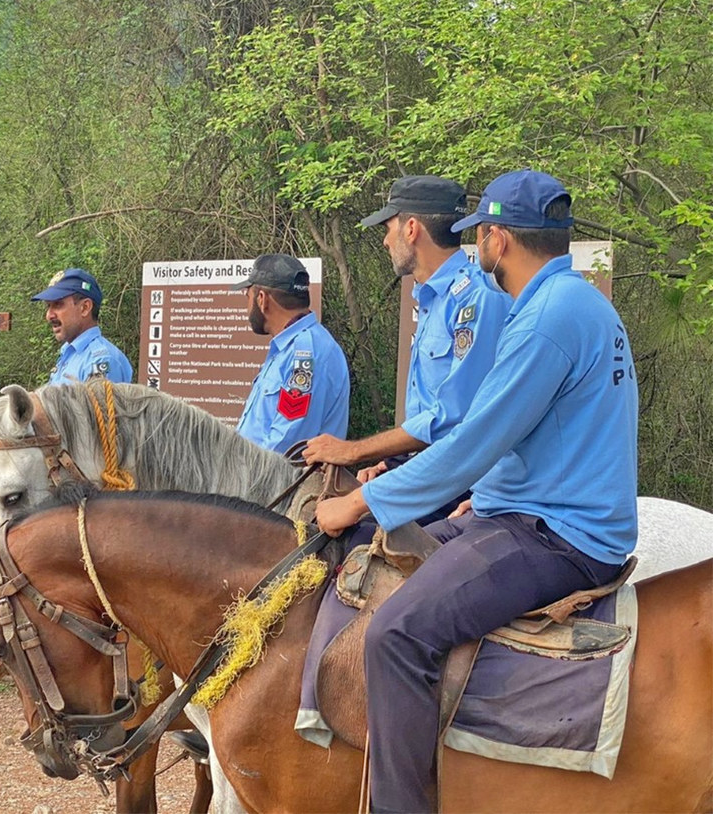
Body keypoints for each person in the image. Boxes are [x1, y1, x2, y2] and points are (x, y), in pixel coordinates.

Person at [315, 169, 638, 814]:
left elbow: (468, 444)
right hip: (530, 512)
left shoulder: (547, 318)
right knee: (385, 567)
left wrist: (356, 502)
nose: (476, 248)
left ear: (497, 239)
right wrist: (482, 497)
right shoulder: (572, 304)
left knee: (396, 635)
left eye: (479, 236)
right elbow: (527, 439)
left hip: (560, 537)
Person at [303, 175, 511, 522]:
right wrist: (393, 464)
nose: (385, 241)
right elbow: (429, 417)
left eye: (388, 227)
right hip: (432, 475)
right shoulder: (432, 299)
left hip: (461, 489)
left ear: (411, 228)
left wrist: (352, 452)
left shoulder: (476, 301)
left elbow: (452, 421)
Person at [233, 253, 350, 455]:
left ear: (262, 300)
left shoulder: (307, 354)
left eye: (248, 296)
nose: (247, 306)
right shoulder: (288, 348)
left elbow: (284, 446)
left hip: (276, 484)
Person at [31, 268, 132, 386]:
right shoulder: (70, 353)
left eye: (58, 304)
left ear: (85, 308)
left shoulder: (101, 360)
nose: (49, 315)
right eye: (48, 306)